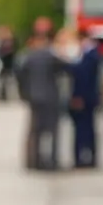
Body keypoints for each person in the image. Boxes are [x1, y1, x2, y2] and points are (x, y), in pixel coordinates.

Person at [16, 27, 68, 172]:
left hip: (34, 97)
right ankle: (52, 161)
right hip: (51, 98)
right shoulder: (52, 57)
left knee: (34, 131)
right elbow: (66, 69)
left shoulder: (28, 57)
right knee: (53, 130)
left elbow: (20, 76)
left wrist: (24, 93)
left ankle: (33, 161)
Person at [67, 29, 102, 169]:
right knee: (88, 129)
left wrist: (77, 96)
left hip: (84, 99)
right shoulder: (91, 54)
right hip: (89, 98)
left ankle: (83, 159)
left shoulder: (89, 56)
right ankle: (88, 157)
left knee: (83, 130)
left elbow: (83, 78)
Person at [0, 26, 17, 102]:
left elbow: (7, 53)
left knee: (6, 80)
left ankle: (5, 95)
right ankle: (3, 95)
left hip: (8, 64)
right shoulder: (5, 41)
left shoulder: (8, 42)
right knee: (4, 81)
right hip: (5, 64)